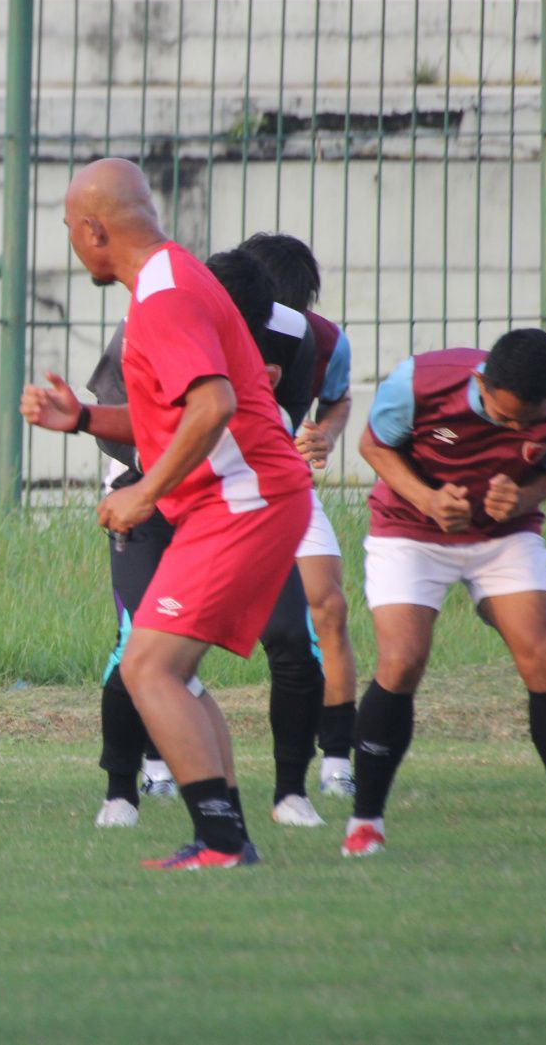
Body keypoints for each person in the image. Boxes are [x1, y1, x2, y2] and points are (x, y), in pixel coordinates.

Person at [22, 159, 313, 868]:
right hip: (234, 500)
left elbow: (212, 407)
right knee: (165, 669)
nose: (70, 240)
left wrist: (142, 493)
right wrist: (86, 416)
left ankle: (222, 842)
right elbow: (179, 412)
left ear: (94, 230)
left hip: (242, 501)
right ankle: (226, 835)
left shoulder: (166, 294)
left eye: (68, 228)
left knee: (148, 669)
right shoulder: (171, 276)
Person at [63, 249, 329, 832]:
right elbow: (141, 422)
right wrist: (87, 423)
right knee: (144, 654)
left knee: (284, 636)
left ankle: (284, 795)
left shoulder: (298, 337)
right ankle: (127, 791)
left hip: (242, 500)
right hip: (152, 486)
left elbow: (255, 422)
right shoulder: (150, 318)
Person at [345, 328, 546, 855]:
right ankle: (365, 824)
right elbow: (373, 445)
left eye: (526, 421)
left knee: (543, 653)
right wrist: (428, 500)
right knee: (402, 660)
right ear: (480, 381)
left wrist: (522, 498)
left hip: (503, 537)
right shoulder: (419, 383)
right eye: (503, 418)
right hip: (409, 531)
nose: (513, 429)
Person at [238, 232, 360, 797]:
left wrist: (325, 436)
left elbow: (337, 401)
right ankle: (154, 763)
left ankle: (337, 757)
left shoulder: (325, 342)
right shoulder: (208, 326)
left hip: (284, 486)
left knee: (327, 606)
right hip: (211, 488)